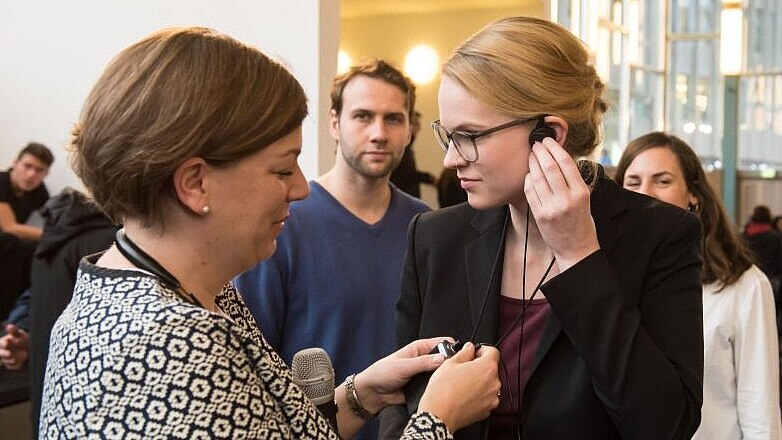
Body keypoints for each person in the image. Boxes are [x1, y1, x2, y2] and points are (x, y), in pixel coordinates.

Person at [39, 27, 501, 439]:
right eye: (282, 170)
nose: (301, 189)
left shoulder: (191, 295)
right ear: (195, 183)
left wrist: (361, 396)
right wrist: (439, 417)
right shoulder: (170, 348)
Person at [389, 17, 703, 439]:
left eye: (470, 136)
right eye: (449, 135)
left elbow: (665, 425)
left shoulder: (661, 235)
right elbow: (401, 398)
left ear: (548, 134)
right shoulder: (434, 237)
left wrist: (579, 258)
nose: (450, 160)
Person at [234, 59, 430, 440]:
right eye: (362, 116)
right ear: (335, 123)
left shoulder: (425, 225)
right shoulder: (282, 221)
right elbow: (253, 360)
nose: (378, 133)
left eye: (393, 119)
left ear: (410, 129)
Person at [614, 131, 782, 439]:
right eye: (633, 182)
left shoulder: (745, 286)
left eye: (662, 181)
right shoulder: (605, 281)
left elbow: (760, 412)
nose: (645, 193)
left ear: (694, 195)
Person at [0, 142, 52, 241]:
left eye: (39, 170)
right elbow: (9, 227)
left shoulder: (39, 190)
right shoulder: (2, 181)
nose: (31, 174)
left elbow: (53, 216)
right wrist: (56, 237)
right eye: (27, 166)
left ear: (46, 174)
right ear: (15, 163)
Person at [390, 111, 436, 198]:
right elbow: (405, 173)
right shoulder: (402, 146)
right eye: (416, 124)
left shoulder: (407, 146)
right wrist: (427, 177)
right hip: (404, 196)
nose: (419, 127)